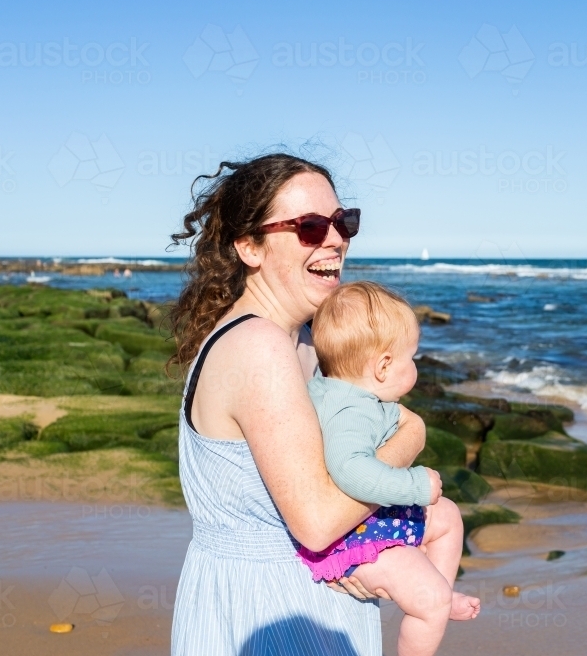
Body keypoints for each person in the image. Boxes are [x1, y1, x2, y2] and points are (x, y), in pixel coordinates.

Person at [169, 154, 429, 655]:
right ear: (249, 247)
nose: (335, 238)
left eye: (343, 221)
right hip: (268, 607)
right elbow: (317, 522)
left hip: (294, 595)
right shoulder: (259, 346)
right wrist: (411, 438)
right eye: (309, 227)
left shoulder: (306, 342)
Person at [301, 281, 479, 656]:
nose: (414, 364)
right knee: (427, 600)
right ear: (382, 366)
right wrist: (413, 485)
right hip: (349, 539)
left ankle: (441, 594)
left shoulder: (345, 391)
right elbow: (351, 470)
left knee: (447, 516)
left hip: (368, 521)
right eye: (410, 357)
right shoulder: (352, 414)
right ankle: (435, 604)